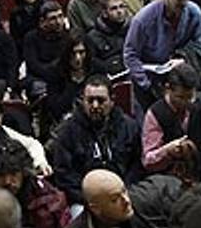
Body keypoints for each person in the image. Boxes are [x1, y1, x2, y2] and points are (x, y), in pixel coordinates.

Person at [51, 75, 142, 205]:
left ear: (112, 101)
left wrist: (122, 192)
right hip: (85, 200)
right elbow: (64, 175)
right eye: (90, 100)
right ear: (83, 101)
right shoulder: (67, 131)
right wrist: (91, 199)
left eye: (101, 100)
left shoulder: (129, 127)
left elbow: (136, 166)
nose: (95, 105)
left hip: (124, 194)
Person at [142, 63, 201, 176]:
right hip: (168, 179)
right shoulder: (155, 114)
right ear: (168, 89)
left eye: (190, 97)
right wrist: (167, 151)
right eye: (180, 97)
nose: (187, 102)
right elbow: (148, 161)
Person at [0, 140, 71, 228]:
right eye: (1, 175)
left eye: (13, 173)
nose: (7, 181)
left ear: (23, 171)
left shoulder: (49, 199)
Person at [83, 0, 129, 76]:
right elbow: (92, 64)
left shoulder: (133, 29)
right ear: (104, 13)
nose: (119, 11)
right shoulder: (93, 37)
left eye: (121, 7)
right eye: (114, 8)